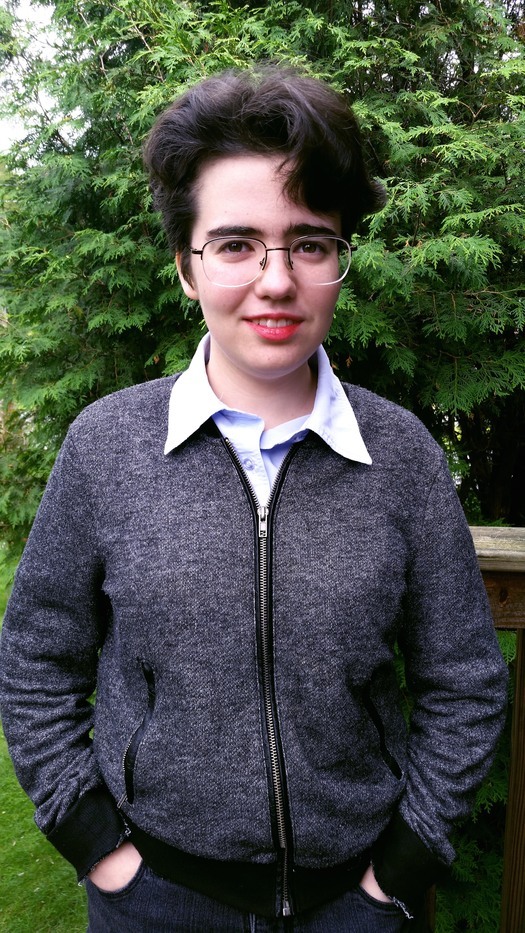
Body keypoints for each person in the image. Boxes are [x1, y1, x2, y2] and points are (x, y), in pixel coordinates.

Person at [0, 66, 508, 933]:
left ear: (338, 260)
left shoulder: (402, 458)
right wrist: (94, 843)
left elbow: (463, 680)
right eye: (236, 244)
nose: (276, 280)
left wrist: (403, 864)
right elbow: (35, 658)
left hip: (352, 905)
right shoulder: (105, 447)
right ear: (186, 268)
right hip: (151, 898)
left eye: (308, 243)